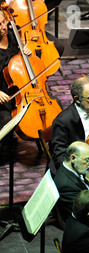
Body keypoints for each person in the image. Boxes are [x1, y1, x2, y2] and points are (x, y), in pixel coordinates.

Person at [0, 10, 32, 163]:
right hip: (3, 97)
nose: (3, 27)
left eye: (4, 22)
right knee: (6, 119)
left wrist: (26, 52)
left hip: (20, 90)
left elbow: (26, 65)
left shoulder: (14, 36)